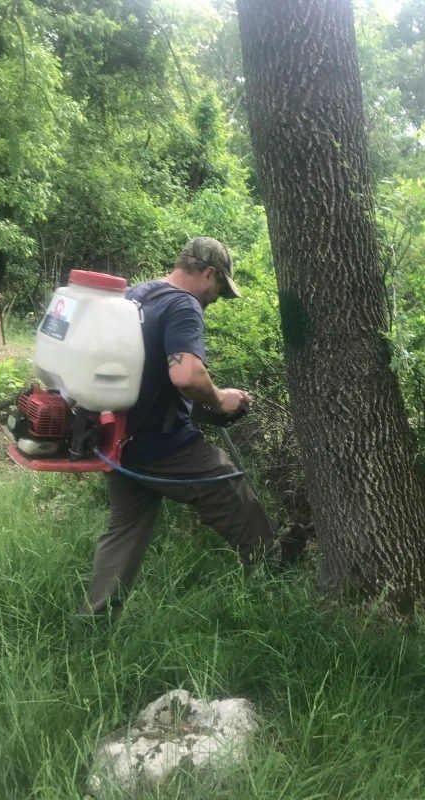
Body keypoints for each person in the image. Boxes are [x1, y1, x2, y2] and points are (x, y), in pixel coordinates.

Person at [84, 237, 278, 617]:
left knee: (125, 528)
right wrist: (221, 398)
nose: (217, 298)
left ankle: (96, 621)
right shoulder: (183, 305)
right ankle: (275, 585)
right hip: (160, 444)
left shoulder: (139, 294)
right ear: (208, 274)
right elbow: (187, 375)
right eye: (221, 289)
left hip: (116, 437)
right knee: (230, 486)